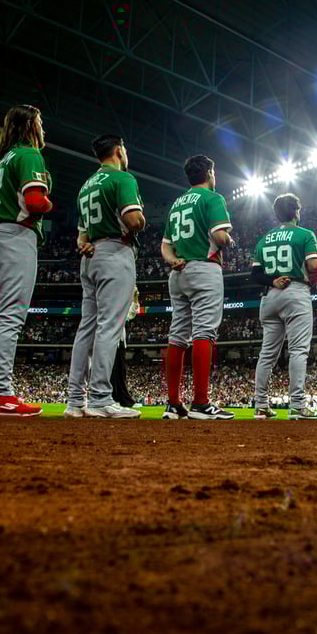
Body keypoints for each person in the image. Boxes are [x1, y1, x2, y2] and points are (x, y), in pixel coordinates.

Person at [0, 105, 52, 417]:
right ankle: (1, 392)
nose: (43, 128)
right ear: (30, 125)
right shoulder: (29, 155)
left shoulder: (2, 159)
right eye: (40, 122)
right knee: (10, 317)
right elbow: (34, 202)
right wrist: (49, 201)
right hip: (17, 236)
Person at [63, 134, 144, 419]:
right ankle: (99, 397)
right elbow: (133, 220)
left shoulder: (86, 186)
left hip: (91, 255)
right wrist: (141, 220)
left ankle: (75, 401)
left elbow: (81, 235)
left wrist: (86, 244)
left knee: (87, 327)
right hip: (115, 253)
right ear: (119, 151)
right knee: (110, 327)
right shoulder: (123, 179)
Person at [161, 154, 234, 420]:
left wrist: (173, 261)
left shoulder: (177, 204)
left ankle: (173, 404)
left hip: (178, 271)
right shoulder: (214, 198)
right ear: (210, 173)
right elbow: (218, 235)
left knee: (177, 334)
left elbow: (165, 245)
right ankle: (201, 403)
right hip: (205, 267)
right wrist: (229, 239)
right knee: (204, 331)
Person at [250, 193, 317, 420]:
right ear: (296, 212)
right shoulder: (304, 234)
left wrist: (273, 280)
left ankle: (261, 405)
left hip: (270, 295)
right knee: (298, 350)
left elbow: (255, 273)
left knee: (267, 354)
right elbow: (313, 264)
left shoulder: (264, 239)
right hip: (295, 291)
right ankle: (298, 405)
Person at [111, 287, 141, 408]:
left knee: (120, 371)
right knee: (112, 372)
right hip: (111, 341)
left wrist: (135, 298)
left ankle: (122, 399)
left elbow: (132, 313)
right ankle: (114, 399)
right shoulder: (110, 305)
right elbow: (130, 314)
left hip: (120, 341)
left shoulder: (120, 307)